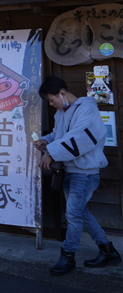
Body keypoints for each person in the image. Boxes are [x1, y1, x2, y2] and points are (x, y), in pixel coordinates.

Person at [34, 76, 119, 274]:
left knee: (73, 213)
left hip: (85, 172)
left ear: (62, 94)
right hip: (69, 171)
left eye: (51, 99)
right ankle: (107, 250)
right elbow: (59, 135)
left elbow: (81, 138)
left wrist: (50, 153)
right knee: (79, 212)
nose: (51, 103)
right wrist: (46, 141)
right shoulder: (62, 112)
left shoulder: (87, 109)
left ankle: (68, 256)